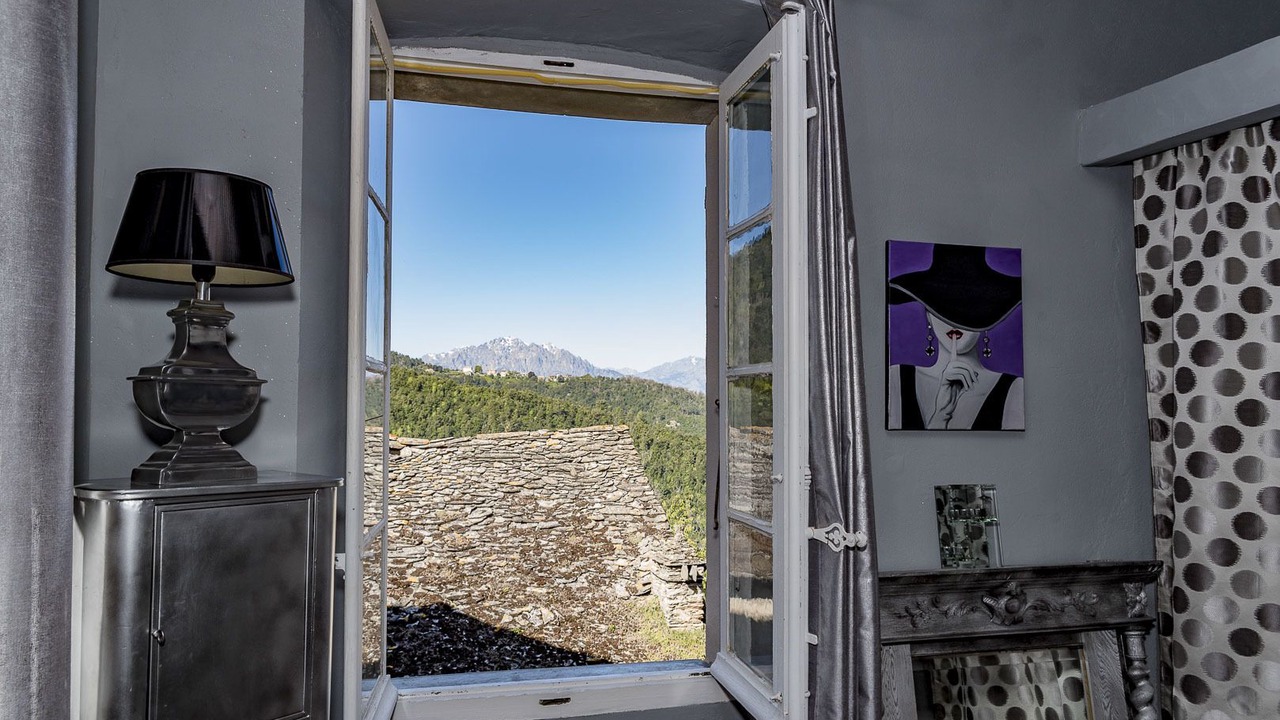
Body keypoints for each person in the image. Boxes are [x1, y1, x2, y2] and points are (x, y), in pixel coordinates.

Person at [887, 243, 1024, 430]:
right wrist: (941, 415)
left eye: (967, 309)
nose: (953, 322)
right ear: (928, 313)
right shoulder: (896, 379)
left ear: (988, 318)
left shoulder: (1014, 389)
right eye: (941, 306)